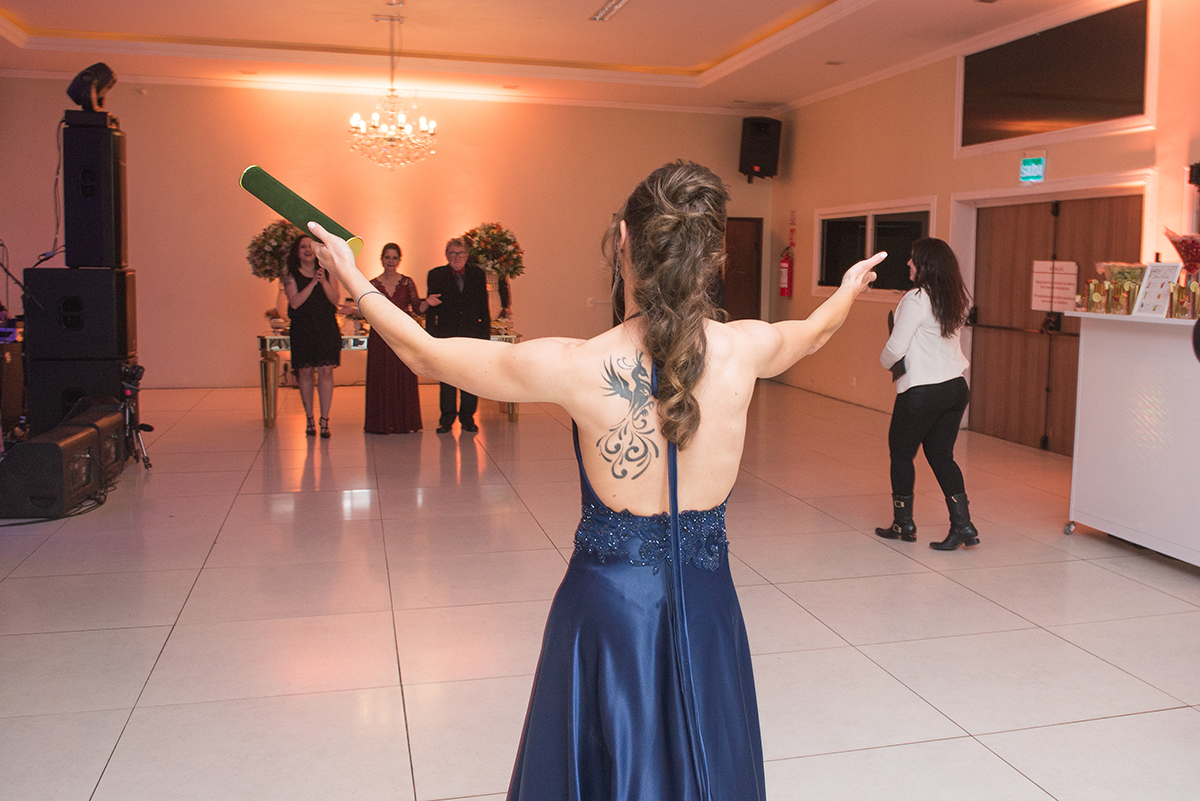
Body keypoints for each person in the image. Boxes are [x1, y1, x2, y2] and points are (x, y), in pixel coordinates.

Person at [310, 160, 883, 801]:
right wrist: (850, 287)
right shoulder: (746, 348)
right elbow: (812, 334)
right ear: (712, 255)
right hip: (708, 605)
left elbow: (425, 352)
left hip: (609, 614)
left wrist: (354, 277)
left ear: (625, 241)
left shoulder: (579, 366)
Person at [875, 237, 979, 550]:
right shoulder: (954, 297)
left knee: (902, 454)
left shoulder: (916, 298)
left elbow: (896, 347)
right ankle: (963, 524)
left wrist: (884, 362)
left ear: (926, 266)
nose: (908, 264)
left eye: (913, 259)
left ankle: (903, 522)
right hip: (955, 388)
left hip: (922, 391)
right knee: (942, 457)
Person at [424, 238, 489, 433]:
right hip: (446, 336)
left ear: (467, 256)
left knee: (470, 378)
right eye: (452, 253)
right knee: (447, 378)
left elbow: (483, 308)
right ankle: (447, 419)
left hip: (472, 336)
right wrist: (430, 338)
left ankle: (468, 418)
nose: (457, 257)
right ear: (446, 255)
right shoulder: (436, 275)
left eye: (460, 253)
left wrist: (484, 339)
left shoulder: (478, 274)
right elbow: (431, 308)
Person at [364, 242, 428, 434]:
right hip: (380, 337)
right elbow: (367, 309)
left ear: (399, 260)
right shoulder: (373, 284)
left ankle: (404, 423)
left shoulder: (407, 282)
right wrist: (352, 310)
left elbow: (417, 308)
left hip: (403, 336)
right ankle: (380, 423)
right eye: (387, 257)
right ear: (381, 259)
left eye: (394, 257)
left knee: (404, 376)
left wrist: (429, 302)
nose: (390, 261)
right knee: (381, 377)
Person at [283, 234, 341, 438]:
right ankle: (309, 418)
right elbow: (295, 303)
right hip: (303, 328)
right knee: (306, 373)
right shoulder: (290, 275)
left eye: (311, 246)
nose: (308, 250)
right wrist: (313, 284)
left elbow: (335, 299)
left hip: (326, 326)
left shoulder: (327, 270)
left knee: (326, 372)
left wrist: (323, 281)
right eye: (303, 247)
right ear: (297, 252)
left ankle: (324, 420)